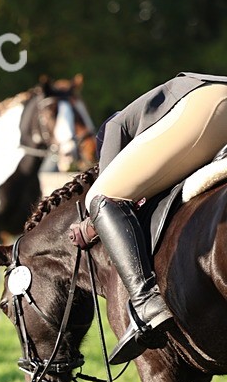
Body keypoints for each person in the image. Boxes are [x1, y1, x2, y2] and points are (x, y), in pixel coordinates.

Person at [85, 73, 227, 364]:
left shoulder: (116, 125)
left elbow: (109, 191)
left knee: (98, 198)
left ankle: (146, 301)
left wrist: (92, 221)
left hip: (209, 104)